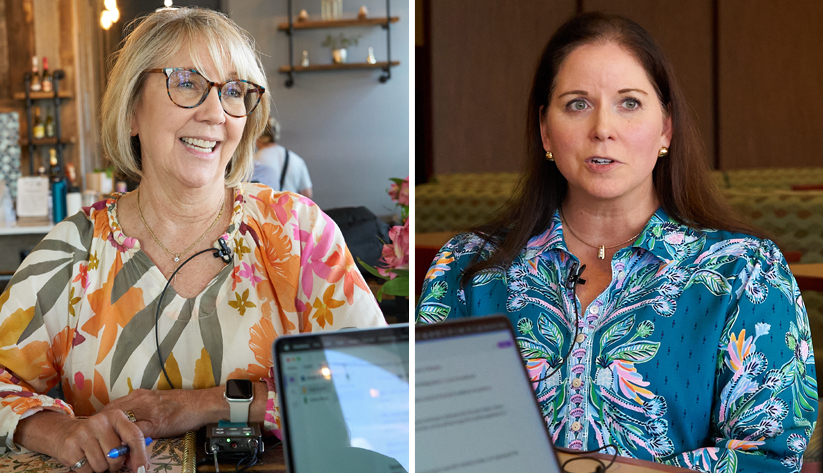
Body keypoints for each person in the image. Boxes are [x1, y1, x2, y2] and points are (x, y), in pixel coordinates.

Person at [417, 12, 817, 472]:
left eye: (629, 103)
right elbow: (432, 438)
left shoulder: (745, 271)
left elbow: (768, 459)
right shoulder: (468, 266)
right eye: (577, 104)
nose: (602, 128)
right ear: (546, 130)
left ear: (665, 128)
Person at [0, 7, 384, 473]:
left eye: (234, 91)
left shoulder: (298, 233)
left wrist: (205, 404)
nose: (215, 113)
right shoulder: (74, 250)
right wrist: (60, 431)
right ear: (132, 109)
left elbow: (374, 385)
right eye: (186, 82)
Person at [252, 118, 313, 198]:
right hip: (291, 209)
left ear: (257, 135)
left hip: (265, 209)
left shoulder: (253, 162)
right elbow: (307, 194)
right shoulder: (296, 159)